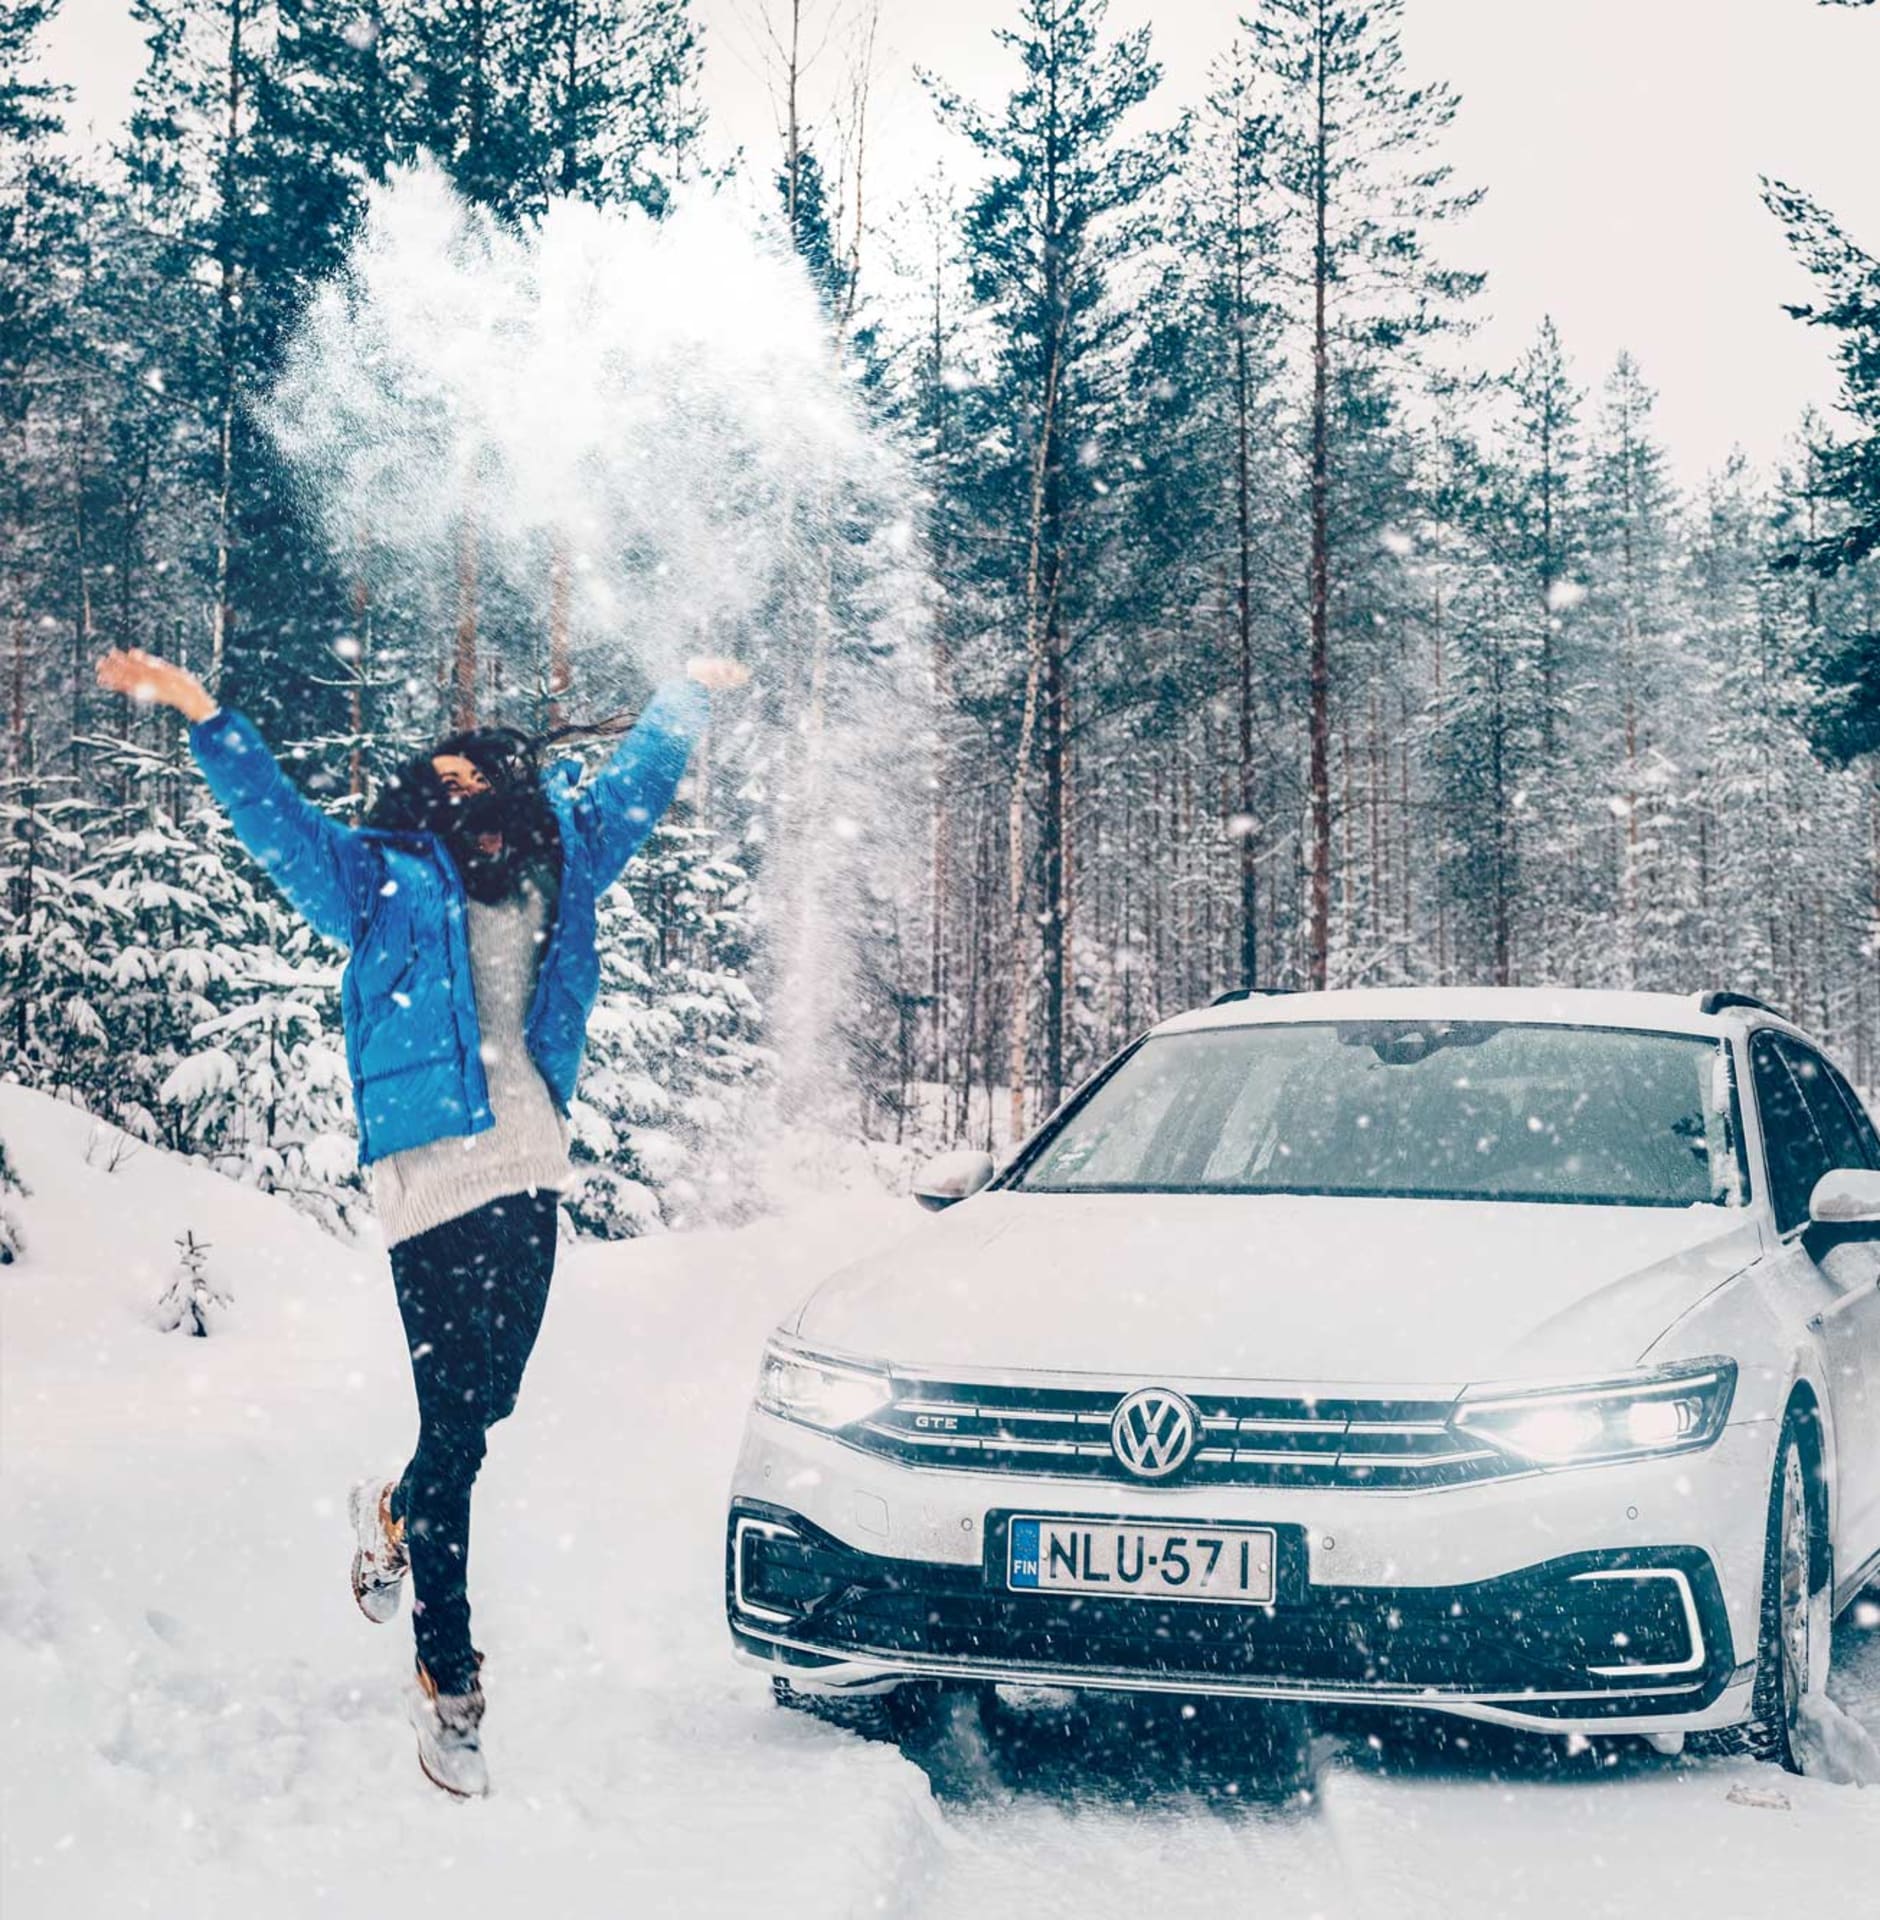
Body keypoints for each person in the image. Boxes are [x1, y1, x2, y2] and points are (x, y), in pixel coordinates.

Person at [94, 643, 748, 1798]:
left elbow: (636, 787)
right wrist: (204, 715)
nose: (456, 796)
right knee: (458, 1428)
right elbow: (279, 826)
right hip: (427, 1179)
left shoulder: (561, 855)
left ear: (506, 789)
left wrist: (685, 693)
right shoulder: (377, 876)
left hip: (529, 1159)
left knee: (486, 1408)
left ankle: (392, 1509)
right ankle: (448, 1682)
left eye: (472, 780)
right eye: (439, 783)